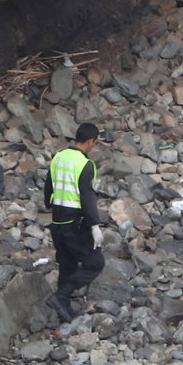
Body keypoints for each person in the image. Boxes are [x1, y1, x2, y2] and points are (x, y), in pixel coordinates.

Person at [45, 125, 103, 322]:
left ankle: (64, 309)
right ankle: (61, 297)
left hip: (57, 221)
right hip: (75, 224)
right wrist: (94, 225)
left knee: (67, 265)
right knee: (95, 263)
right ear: (91, 141)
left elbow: (48, 189)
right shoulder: (85, 164)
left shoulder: (58, 158)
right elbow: (87, 197)